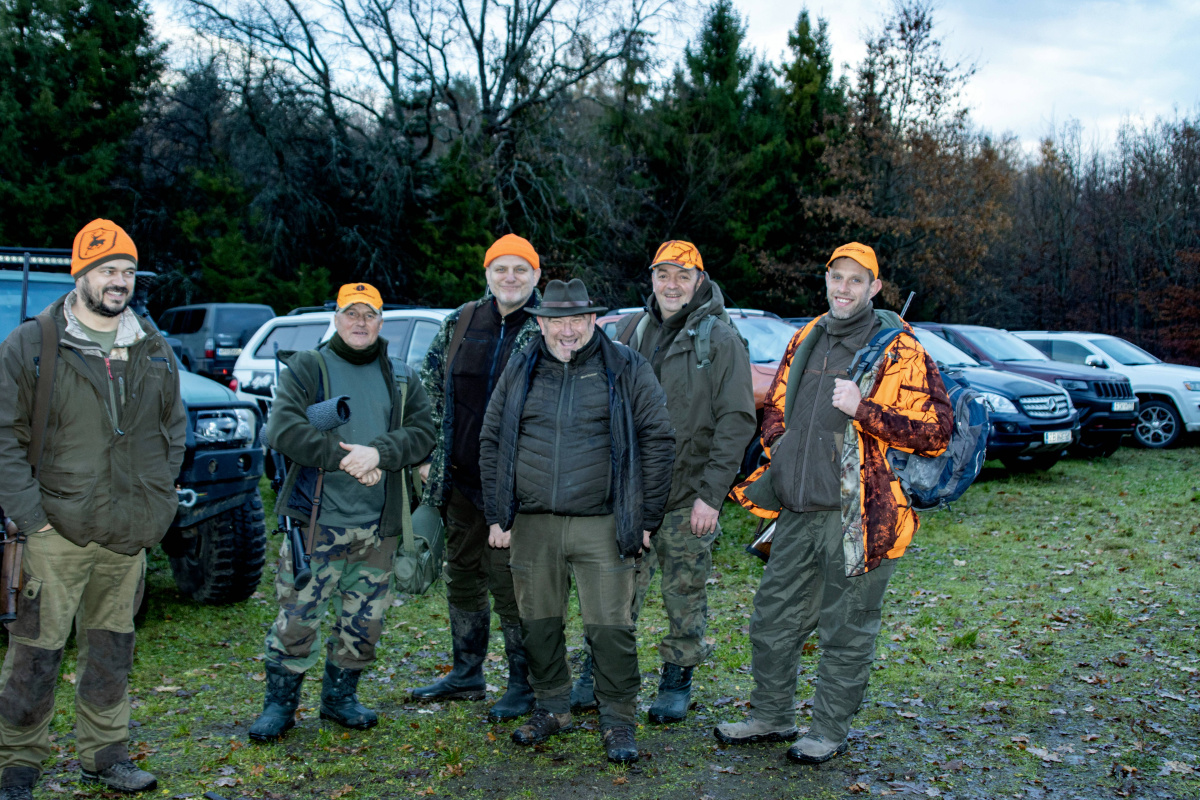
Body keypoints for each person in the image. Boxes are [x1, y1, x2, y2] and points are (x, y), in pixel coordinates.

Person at [716, 243, 953, 765]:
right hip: (796, 510)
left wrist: (863, 410)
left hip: (859, 517)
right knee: (773, 618)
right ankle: (771, 715)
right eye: (836, 277)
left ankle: (827, 731)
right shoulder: (807, 335)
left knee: (846, 629)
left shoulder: (899, 349)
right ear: (826, 281)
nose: (843, 288)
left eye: (855, 280)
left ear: (874, 288)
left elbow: (938, 431)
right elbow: (776, 403)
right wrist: (779, 443)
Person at [0, 220, 187, 797]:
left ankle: (106, 755)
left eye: (127, 271)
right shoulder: (33, 343)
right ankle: (16, 764)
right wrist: (32, 517)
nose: (119, 282)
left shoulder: (153, 346)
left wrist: (157, 499)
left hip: (126, 535)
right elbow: (4, 436)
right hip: (55, 531)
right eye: (106, 270)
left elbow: (174, 430)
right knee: (35, 655)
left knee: (111, 651)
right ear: (80, 275)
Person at [479, 279, 675, 764]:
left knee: (610, 629)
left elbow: (658, 440)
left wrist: (645, 517)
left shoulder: (626, 366)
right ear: (541, 323)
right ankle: (552, 707)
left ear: (592, 320)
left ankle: (618, 719)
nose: (567, 330)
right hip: (532, 523)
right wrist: (497, 514)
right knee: (538, 624)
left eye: (576, 320)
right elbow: (492, 438)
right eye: (556, 321)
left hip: (602, 522)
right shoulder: (521, 367)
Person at [572, 241, 755, 723]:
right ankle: (598, 670)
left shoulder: (720, 339)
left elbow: (736, 420)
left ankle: (677, 678)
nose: (671, 285)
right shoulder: (630, 330)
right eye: (662, 275)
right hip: (627, 495)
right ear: (651, 279)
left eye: (682, 276)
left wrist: (711, 496)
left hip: (686, 497)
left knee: (684, 592)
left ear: (699, 281)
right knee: (612, 591)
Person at [249, 282, 434, 742]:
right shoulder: (308, 367)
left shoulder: (402, 376)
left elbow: (423, 433)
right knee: (297, 619)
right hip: (317, 524)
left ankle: (339, 699)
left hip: (378, 528)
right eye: (351, 313)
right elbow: (281, 429)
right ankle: (280, 706)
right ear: (336, 318)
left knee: (364, 624)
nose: (360, 322)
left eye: (369, 314)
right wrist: (344, 458)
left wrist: (379, 454)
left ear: (381, 321)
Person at [409, 234, 542, 721]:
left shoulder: (547, 328)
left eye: (520, 269)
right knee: (462, 574)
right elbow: (426, 390)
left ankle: (524, 683)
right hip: (460, 480)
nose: (510, 277)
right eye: (500, 268)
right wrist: (427, 455)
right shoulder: (461, 321)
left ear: (536, 276)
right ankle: (467, 673)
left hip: (516, 486)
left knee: (511, 584)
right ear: (487, 273)